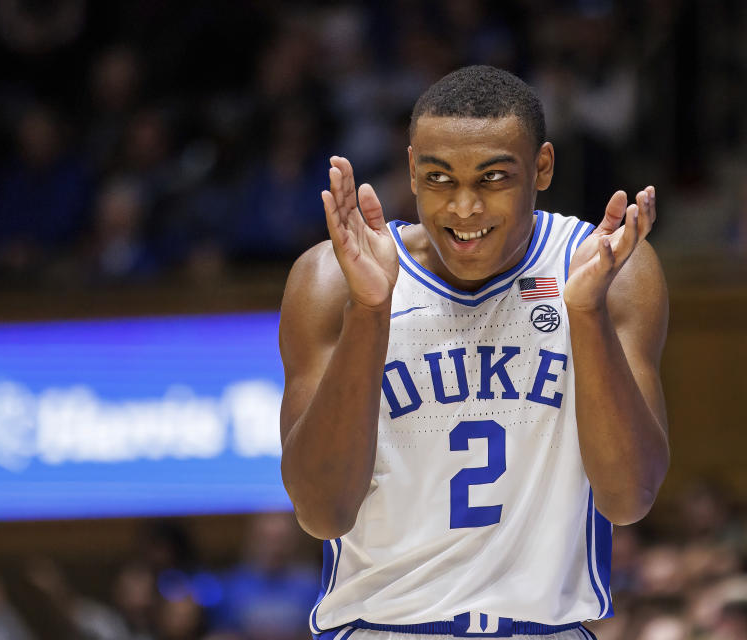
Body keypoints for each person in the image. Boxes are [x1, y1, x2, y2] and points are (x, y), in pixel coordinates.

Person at [278, 65, 669, 639]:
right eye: (439, 178)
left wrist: (583, 315)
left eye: (492, 178)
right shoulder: (331, 279)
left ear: (542, 168)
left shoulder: (607, 269)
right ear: (411, 169)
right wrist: (370, 311)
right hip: (382, 627)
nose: (464, 208)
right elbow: (320, 512)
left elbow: (629, 497)